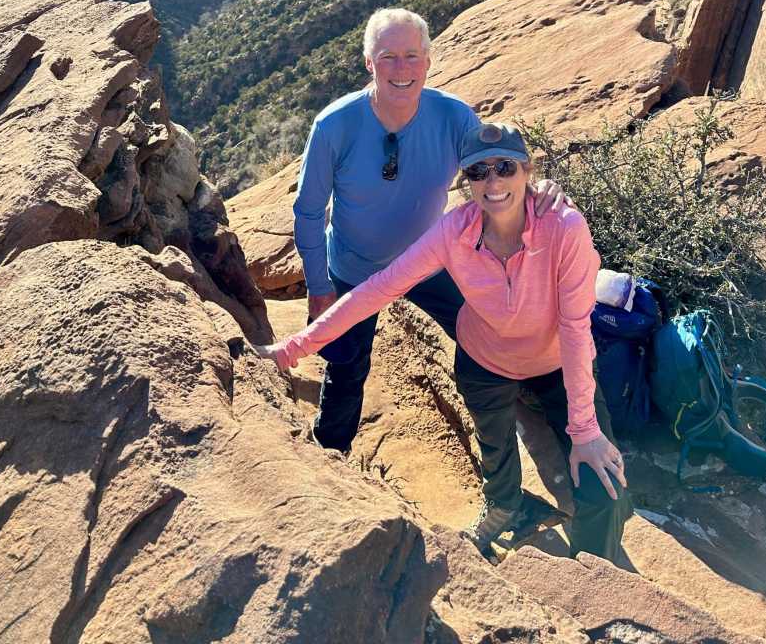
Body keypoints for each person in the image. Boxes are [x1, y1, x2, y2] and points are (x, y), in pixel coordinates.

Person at [259, 121, 632, 562]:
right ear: (466, 181)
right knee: (495, 447)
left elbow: (574, 326)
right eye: (478, 172)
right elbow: (379, 288)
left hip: (556, 362)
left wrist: (585, 431)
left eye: (505, 167)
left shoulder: (563, 227)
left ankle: (592, 573)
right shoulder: (454, 232)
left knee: (604, 488)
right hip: (485, 361)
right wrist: (294, 348)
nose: (493, 182)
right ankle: (505, 507)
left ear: (527, 170)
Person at [292, 8, 566, 455]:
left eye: (412, 56)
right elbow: (307, 212)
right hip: (354, 268)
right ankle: (330, 454)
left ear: (428, 61)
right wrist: (319, 287)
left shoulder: (453, 117)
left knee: (488, 329)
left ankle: (532, 395)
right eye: (388, 57)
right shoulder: (334, 126)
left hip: (428, 259)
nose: (401, 69)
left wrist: (539, 193)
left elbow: (495, 174)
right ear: (369, 63)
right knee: (346, 368)